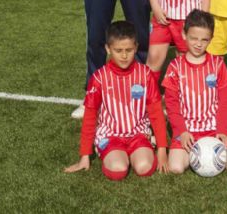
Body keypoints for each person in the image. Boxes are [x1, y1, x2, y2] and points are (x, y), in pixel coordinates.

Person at [64, 21, 168, 180]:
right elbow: (90, 116)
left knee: (144, 168)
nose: (124, 55)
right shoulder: (99, 78)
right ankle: (116, 153)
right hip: (110, 135)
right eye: (118, 50)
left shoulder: (145, 75)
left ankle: (144, 147)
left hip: (138, 134)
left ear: (136, 47)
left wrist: (162, 149)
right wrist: (85, 155)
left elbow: (156, 112)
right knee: (118, 170)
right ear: (108, 49)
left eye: (129, 50)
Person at [162, 10, 227, 173]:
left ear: (211, 39)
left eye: (204, 40)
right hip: (187, 129)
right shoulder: (175, 67)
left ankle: (202, 151)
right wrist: (181, 131)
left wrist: (223, 131)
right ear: (184, 35)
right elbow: (171, 103)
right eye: (194, 38)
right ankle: (197, 151)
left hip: (212, 127)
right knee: (176, 167)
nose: (198, 44)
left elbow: (226, 101)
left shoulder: (218, 64)